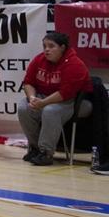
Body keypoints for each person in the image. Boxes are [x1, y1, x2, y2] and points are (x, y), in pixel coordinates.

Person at [19, 32, 92, 166]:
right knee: (23, 107)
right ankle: (35, 148)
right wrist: (32, 98)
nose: (46, 49)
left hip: (73, 102)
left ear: (62, 47)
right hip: (44, 97)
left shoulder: (75, 64)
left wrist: (43, 103)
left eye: (51, 46)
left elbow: (65, 93)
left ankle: (46, 153)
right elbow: (28, 82)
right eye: (45, 46)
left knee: (50, 110)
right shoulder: (39, 59)